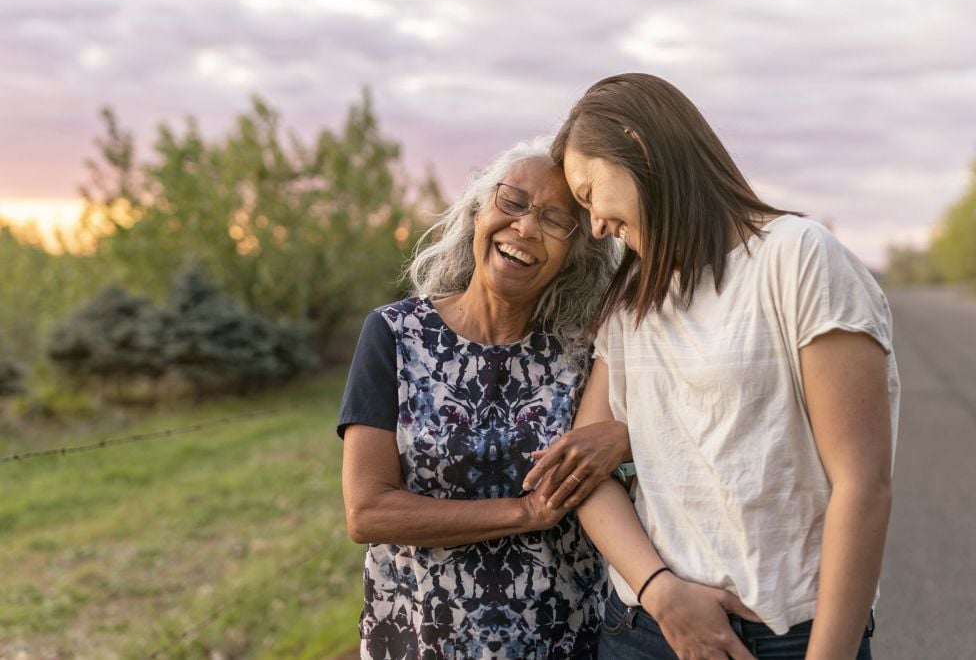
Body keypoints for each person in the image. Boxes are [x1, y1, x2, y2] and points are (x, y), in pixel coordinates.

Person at [524, 73, 900, 659]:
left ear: (639, 146)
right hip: (647, 630)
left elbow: (863, 485)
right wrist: (660, 592)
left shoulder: (798, 259)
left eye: (589, 191)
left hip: (789, 636)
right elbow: (582, 471)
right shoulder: (632, 301)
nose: (595, 224)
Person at [338, 137, 623, 659]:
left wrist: (623, 438)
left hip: (565, 639)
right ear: (477, 211)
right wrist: (523, 512)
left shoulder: (590, 350)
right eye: (512, 201)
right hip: (422, 639)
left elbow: (652, 434)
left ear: (577, 253)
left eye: (557, 221)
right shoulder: (394, 335)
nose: (527, 227)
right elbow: (368, 512)